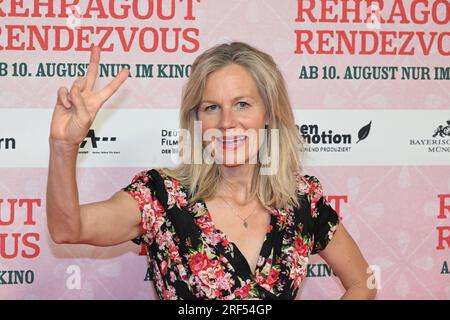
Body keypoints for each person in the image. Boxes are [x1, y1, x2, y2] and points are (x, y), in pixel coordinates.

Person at [47, 42, 377, 300]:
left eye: (242, 104)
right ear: (197, 121)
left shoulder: (302, 200)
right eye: (211, 108)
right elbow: (67, 229)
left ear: (269, 113)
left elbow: (363, 281)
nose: (227, 122)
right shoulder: (161, 197)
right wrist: (64, 147)